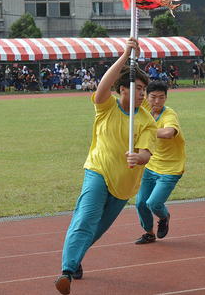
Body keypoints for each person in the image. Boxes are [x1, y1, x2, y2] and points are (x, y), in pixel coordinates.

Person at [55, 37, 157, 295]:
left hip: (124, 186)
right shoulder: (107, 107)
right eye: (138, 88)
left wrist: (139, 158)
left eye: (144, 89)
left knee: (96, 230)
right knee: (86, 219)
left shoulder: (146, 121)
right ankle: (66, 272)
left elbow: (146, 152)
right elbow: (104, 84)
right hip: (98, 171)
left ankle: (76, 259)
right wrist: (125, 55)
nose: (143, 93)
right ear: (122, 89)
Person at [134, 80, 186, 244]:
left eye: (162, 98)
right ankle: (149, 233)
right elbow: (132, 94)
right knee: (141, 203)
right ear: (147, 97)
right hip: (151, 165)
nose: (157, 101)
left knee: (154, 203)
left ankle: (164, 217)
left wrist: (146, 130)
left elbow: (169, 133)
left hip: (171, 168)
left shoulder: (169, 114)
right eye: (153, 97)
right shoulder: (146, 107)